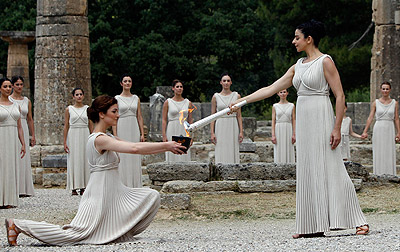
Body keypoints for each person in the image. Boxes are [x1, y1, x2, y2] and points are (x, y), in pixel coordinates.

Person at [230, 20, 369, 238]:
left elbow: (340, 96)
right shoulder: (297, 66)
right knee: (307, 167)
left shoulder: (326, 62)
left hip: (322, 115)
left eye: (297, 37)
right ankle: (311, 225)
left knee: (332, 166)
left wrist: (336, 128)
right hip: (304, 119)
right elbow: (271, 88)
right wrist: (241, 101)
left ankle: (357, 220)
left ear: (309, 39)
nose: (293, 41)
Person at [5, 95, 186, 246]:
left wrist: (169, 145)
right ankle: (18, 225)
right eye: (114, 111)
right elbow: (134, 149)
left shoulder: (108, 137)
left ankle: (116, 232)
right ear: (101, 114)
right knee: (76, 234)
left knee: (151, 196)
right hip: (99, 193)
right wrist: (168, 146)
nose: (118, 115)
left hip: (114, 191)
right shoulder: (99, 139)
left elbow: (136, 145)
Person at [112, 74, 145, 188]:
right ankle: (123, 183)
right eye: (125, 81)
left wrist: (142, 133)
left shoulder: (136, 98)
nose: (127, 83)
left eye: (129, 81)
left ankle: (135, 184)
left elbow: (139, 116)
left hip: (133, 127)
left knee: (135, 153)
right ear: (121, 83)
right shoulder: (116, 99)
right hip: (122, 126)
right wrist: (115, 134)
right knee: (123, 154)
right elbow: (114, 117)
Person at [361, 82, 400, 175]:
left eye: (387, 89)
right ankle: (378, 173)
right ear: (380, 90)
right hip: (379, 128)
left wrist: (399, 132)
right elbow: (370, 117)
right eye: (383, 89)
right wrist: (365, 131)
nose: (385, 91)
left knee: (389, 150)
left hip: (390, 128)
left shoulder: (395, 103)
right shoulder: (376, 103)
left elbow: (396, 118)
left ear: (390, 90)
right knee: (379, 150)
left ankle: (390, 174)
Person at [0, 78, 25, 208]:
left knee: (10, 166)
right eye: (5, 86)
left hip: (12, 139)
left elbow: (19, 126)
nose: (8, 89)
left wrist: (23, 143)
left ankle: (9, 199)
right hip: (1, 137)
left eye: (10, 86)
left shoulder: (17, 105)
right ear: (0, 88)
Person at [63, 88, 93, 196]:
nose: (79, 96)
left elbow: (90, 125)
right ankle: (74, 187)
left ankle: (85, 186)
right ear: (73, 97)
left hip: (85, 133)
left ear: (83, 96)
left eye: (81, 94)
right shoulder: (69, 109)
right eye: (77, 94)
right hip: (73, 134)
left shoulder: (87, 109)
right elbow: (66, 126)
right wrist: (65, 141)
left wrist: (92, 137)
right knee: (74, 159)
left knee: (85, 159)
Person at [9, 76, 35, 197]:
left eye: (21, 84)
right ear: (13, 86)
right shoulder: (8, 99)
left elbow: (30, 119)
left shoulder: (27, 101)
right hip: (12, 127)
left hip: (23, 126)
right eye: (17, 84)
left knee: (24, 158)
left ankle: (24, 188)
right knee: (14, 156)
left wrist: (32, 135)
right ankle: (14, 187)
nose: (19, 87)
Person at [210, 73, 244, 164]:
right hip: (220, 124)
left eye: (228, 81)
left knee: (232, 146)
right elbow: (212, 116)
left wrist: (241, 131)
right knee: (221, 146)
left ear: (231, 83)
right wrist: (212, 133)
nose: (226, 83)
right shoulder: (215, 97)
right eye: (224, 81)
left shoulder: (236, 96)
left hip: (232, 124)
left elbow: (239, 115)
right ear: (220, 82)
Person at [162, 79, 193, 162]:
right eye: (177, 87)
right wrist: (164, 135)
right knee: (172, 152)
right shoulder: (168, 102)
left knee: (183, 152)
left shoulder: (188, 103)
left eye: (181, 87)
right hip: (172, 128)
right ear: (173, 88)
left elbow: (190, 120)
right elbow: (164, 120)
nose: (179, 88)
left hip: (184, 129)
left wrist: (191, 135)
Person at [271, 89, 296, 163]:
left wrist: (294, 134)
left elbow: (293, 120)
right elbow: (273, 121)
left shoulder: (292, 105)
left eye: (284, 92)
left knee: (288, 147)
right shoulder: (275, 106)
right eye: (281, 92)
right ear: (278, 94)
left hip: (288, 128)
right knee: (279, 148)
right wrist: (273, 135)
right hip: (278, 129)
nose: (283, 94)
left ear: (287, 93)